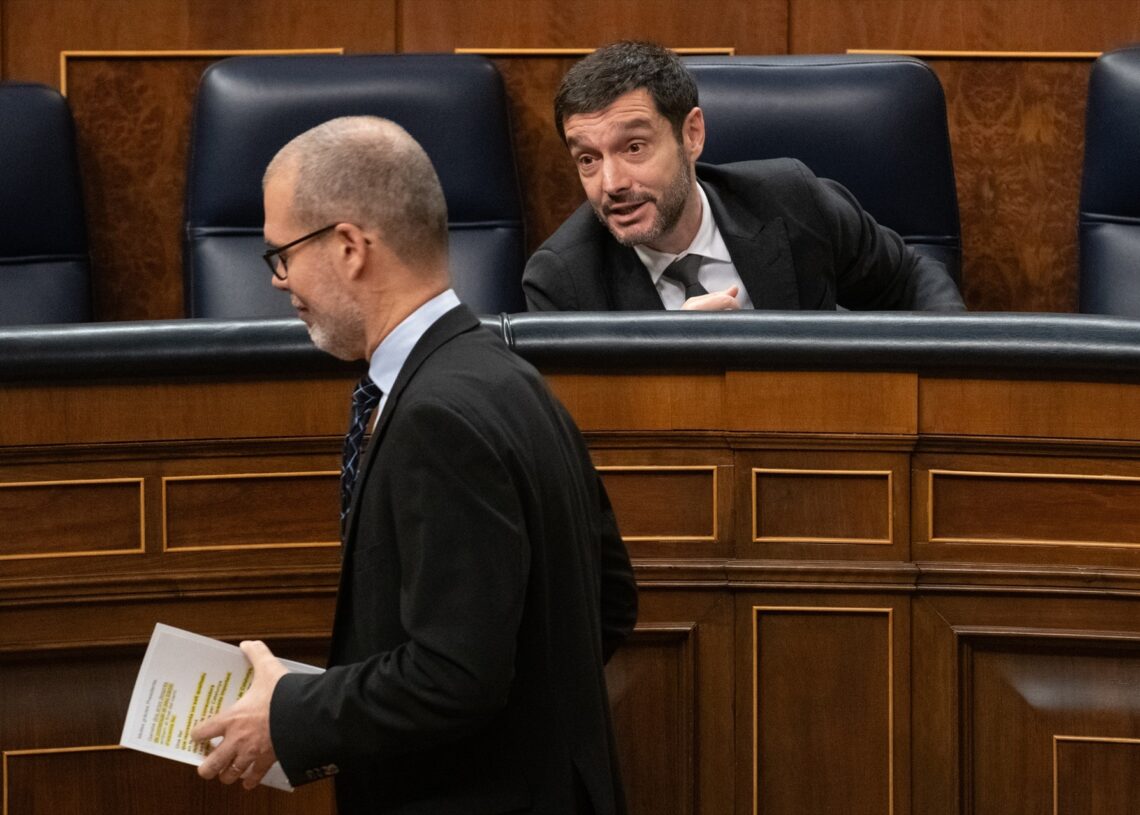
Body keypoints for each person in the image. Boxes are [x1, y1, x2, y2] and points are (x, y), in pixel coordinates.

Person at [189, 116, 638, 815]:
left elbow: (453, 674)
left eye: (281, 254)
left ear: (348, 246)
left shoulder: (438, 417)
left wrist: (292, 711)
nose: (279, 281)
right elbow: (610, 600)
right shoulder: (511, 377)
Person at [522, 40, 966, 313]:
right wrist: (669, 357)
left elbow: (910, 279)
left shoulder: (792, 202)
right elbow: (584, 434)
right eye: (588, 160)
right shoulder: (563, 279)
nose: (611, 183)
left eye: (633, 147)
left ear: (691, 135)